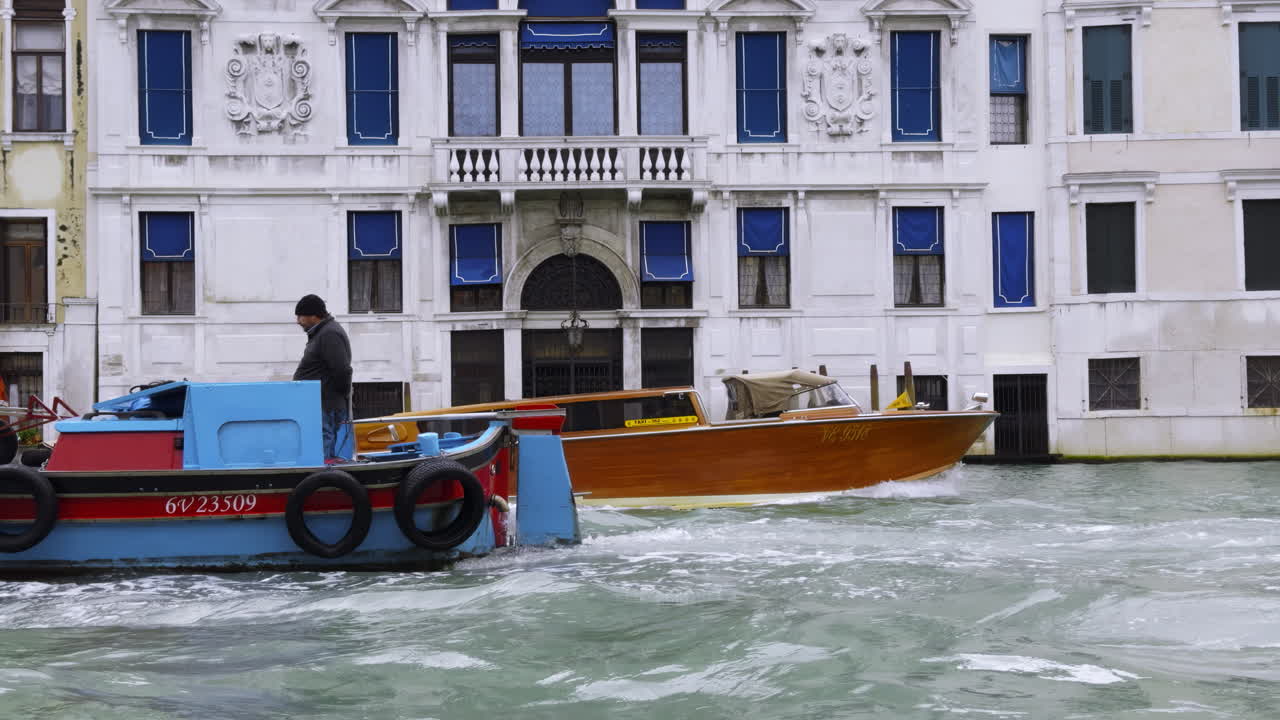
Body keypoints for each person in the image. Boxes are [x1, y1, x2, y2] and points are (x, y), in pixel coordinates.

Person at [292, 294, 353, 462]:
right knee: (320, 441)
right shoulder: (322, 332)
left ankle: (324, 478)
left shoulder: (329, 334)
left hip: (326, 404)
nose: (298, 321)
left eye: (300, 316)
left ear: (314, 316)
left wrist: (337, 398)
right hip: (321, 402)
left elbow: (342, 370)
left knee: (323, 443)